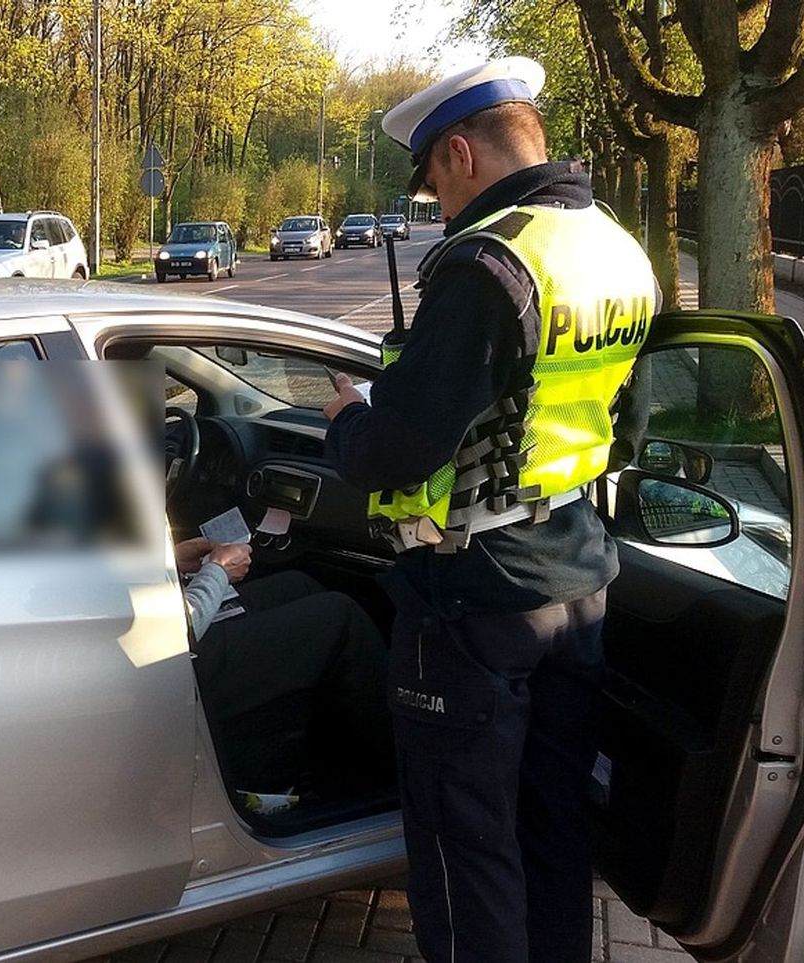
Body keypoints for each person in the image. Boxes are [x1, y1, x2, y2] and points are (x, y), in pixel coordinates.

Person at [321, 58, 656, 963]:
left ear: (461, 151)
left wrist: (348, 419)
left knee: (466, 851)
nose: (435, 200)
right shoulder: (616, 250)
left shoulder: (488, 262)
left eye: (431, 179)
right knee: (552, 830)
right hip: (579, 586)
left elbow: (397, 450)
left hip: (471, 606)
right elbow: (626, 421)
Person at [175, 537, 392, 800]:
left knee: (297, 585)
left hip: (166, 635)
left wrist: (174, 562)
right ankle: (407, 759)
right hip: (170, 669)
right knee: (339, 618)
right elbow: (173, 633)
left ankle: (335, 755)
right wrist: (218, 571)